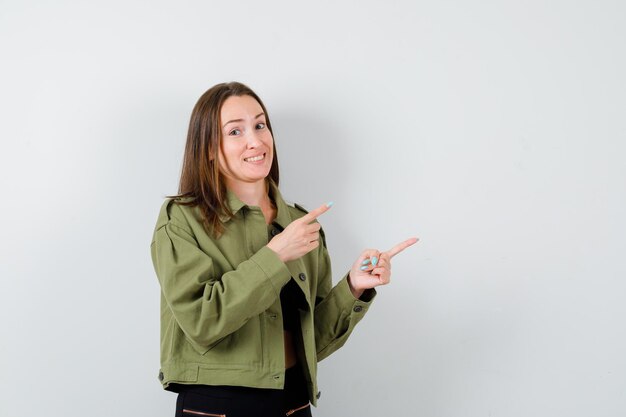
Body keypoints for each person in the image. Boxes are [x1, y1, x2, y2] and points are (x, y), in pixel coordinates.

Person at [150, 81, 417, 417]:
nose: (256, 140)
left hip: (293, 402)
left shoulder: (300, 223)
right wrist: (275, 256)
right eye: (235, 131)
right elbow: (203, 322)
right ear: (208, 148)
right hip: (216, 406)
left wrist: (353, 288)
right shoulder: (182, 219)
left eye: (260, 125)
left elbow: (313, 341)